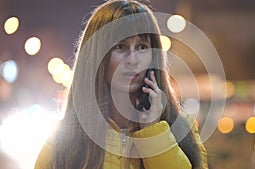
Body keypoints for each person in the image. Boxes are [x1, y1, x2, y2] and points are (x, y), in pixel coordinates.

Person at [34, 0, 208, 169]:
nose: (133, 60)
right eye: (120, 46)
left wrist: (154, 133)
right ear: (97, 56)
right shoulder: (63, 139)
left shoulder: (182, 128)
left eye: (142, 47)